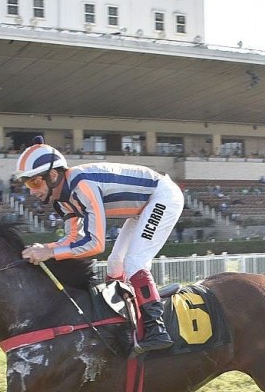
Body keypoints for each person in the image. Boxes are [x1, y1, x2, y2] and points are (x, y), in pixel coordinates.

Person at [15, 137, 184, 354]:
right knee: (115, 265)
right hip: (143, 206)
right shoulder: (62, 200)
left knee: (134, 262)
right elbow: (71, 240)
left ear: (53, 175)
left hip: (162, 196)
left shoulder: (82, 185)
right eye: (27, 184)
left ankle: (156, 330)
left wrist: (49, 252)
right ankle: (124, 321)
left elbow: (96, 245)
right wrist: (45, 249)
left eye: (35, 182)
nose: (32, 191)